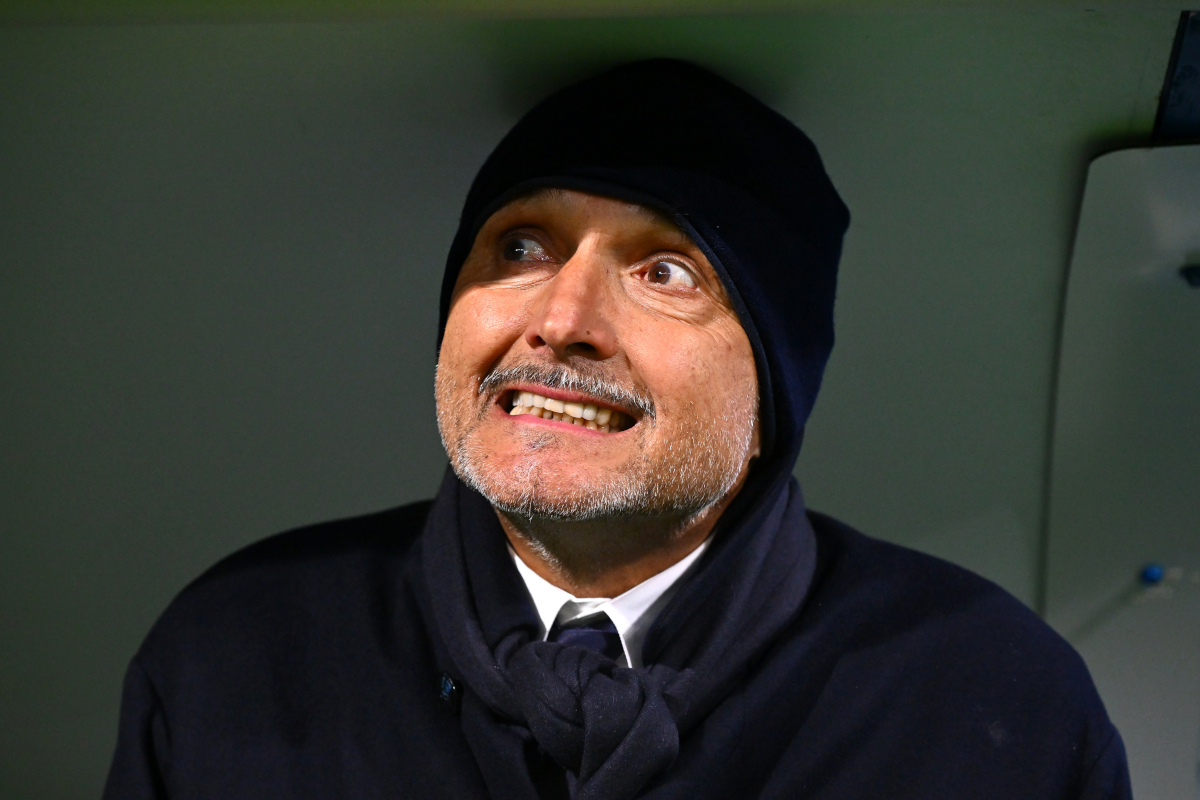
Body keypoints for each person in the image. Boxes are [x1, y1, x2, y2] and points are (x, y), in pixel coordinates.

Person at [102, 59, 1131, 800]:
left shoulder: (990, 701)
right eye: (520, 244)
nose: (562, 316)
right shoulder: (236, 654)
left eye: (665, 271)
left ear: (773, 385)